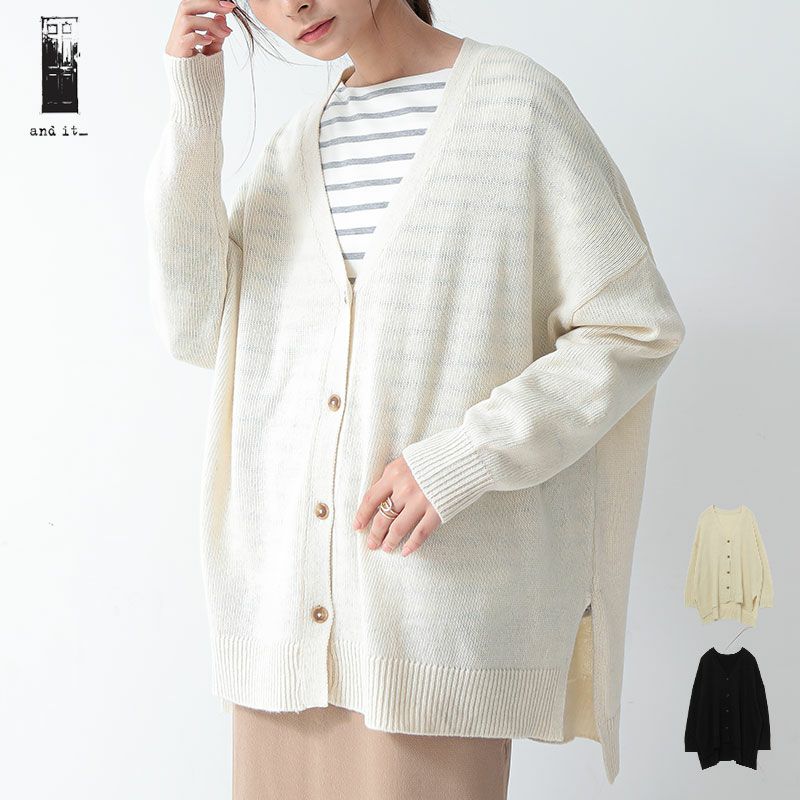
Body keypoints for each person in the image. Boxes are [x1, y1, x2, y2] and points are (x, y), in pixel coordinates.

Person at [144, 1, 686, 797]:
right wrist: (195, 106)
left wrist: (466, 458)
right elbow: (195, 323)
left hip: (432, 632)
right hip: (280, 638)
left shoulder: (516, 107)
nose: (292, 6)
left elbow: (633, 326)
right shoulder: (295, 150)